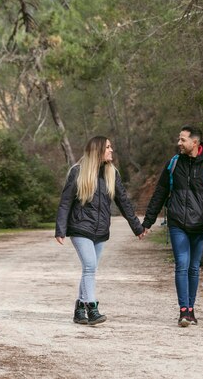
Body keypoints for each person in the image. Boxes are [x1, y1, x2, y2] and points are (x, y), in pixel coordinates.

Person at [142, 125, 203, 327]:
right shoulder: (173, 163)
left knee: (194, 268)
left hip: (200, 226)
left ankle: (191, 309)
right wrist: (147, 222)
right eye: (178, 139)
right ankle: (184, 312)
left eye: (182, 140)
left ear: (195, 143)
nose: (178, 143)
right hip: (177, 222)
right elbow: (160, 193)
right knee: (182, 264)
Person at [55, 136, 145, 326]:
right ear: (97, 150)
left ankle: (79, 309)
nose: (111, 150)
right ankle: (92, 309)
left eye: (111, 147)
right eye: (108, 147)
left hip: (101, 230)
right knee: (89, 267)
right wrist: (60, 229)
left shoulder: (112, 173)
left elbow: (124, 203)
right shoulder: (77, 172)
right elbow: (65, 203)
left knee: (91, 268)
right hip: (80, 228)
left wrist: (137, 227)